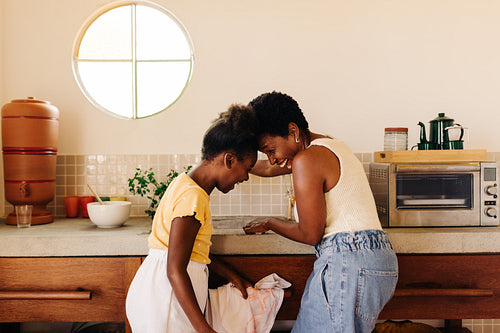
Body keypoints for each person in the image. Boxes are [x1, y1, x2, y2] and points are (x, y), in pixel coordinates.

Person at [243, 92, 398, 333]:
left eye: (270, 149)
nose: (272, 159)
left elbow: (310, 234)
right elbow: (264, 168)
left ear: (293, 131)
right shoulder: (329, 145)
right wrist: (227, 158)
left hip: (348, 260)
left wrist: (270, 223)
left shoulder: (307, 159)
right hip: (372, 260)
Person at [126, 104, 257, 333]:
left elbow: (192, 251)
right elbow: (175, 269)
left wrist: (231, 275)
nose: (246, 177)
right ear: (229, 160)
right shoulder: (193, 197)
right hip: (165, 301)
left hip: (159, 294)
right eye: (247, 168)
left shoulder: (185, 184)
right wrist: (204, 330)